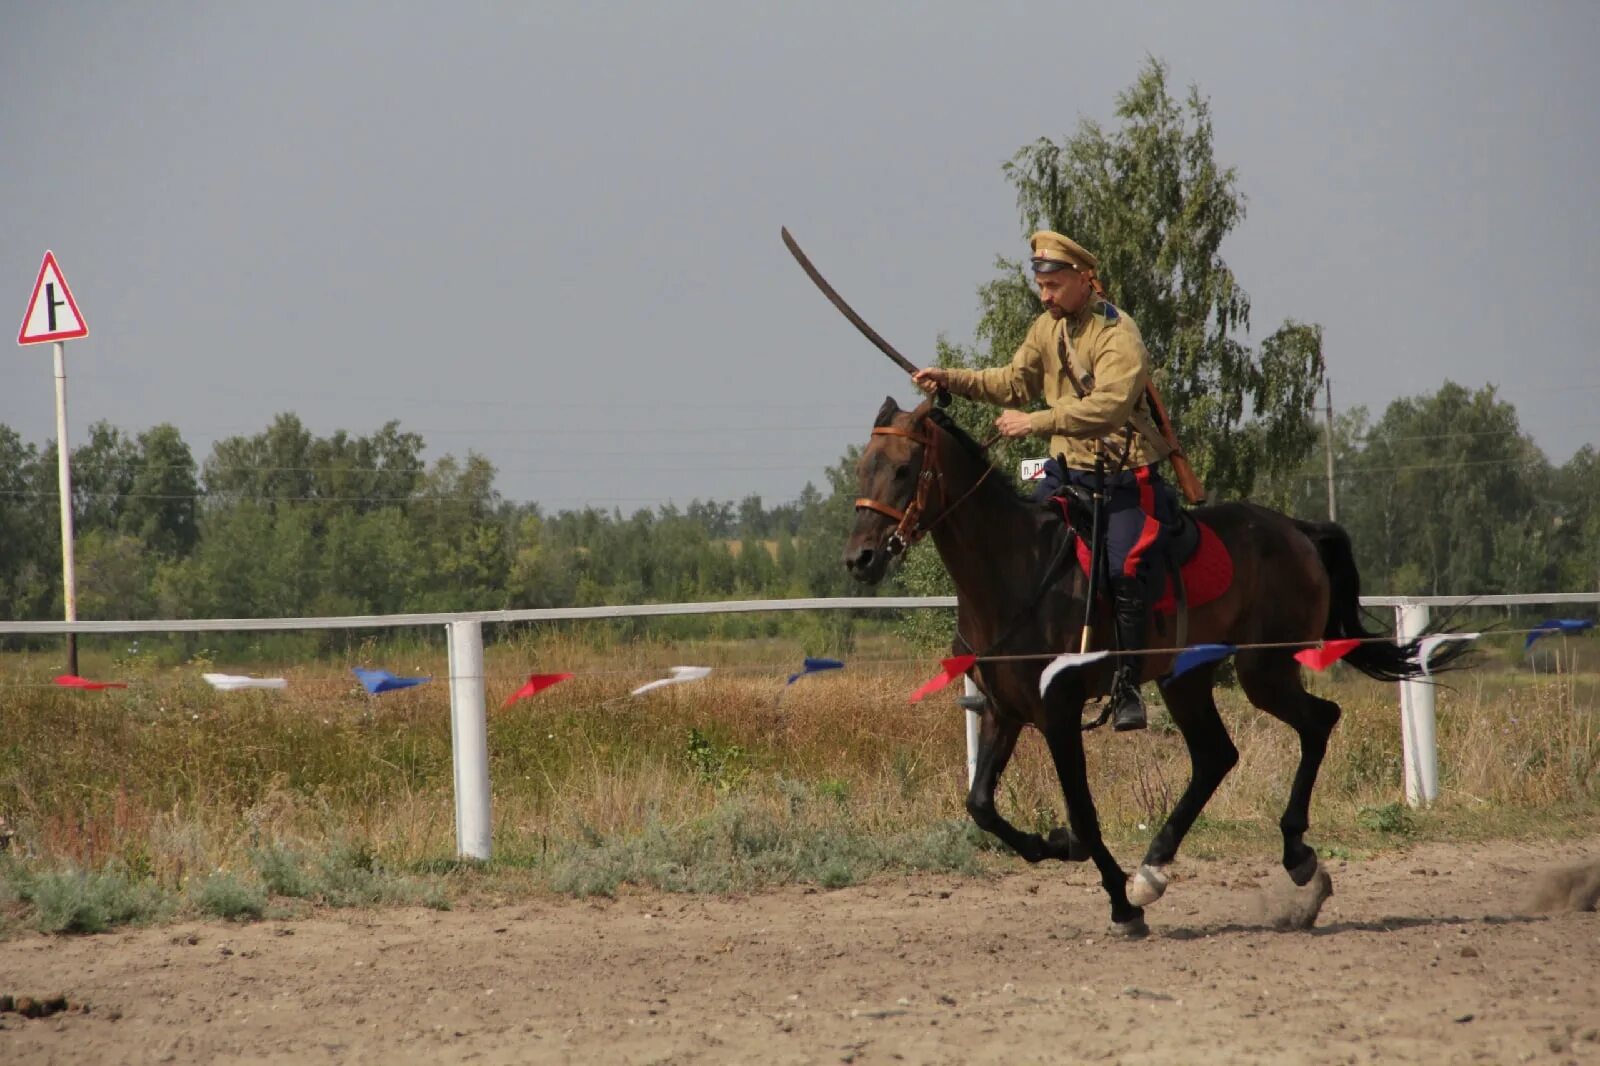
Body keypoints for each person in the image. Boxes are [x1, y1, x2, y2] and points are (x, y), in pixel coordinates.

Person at [913, 231, 1172, 731]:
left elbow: (1109, 407)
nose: (1045, 295)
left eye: (1054, 285)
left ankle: (1126, 686)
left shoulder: (1119, 335)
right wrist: (950, 379)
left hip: (1121, 480)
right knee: (1007, 552)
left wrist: (1035, 422)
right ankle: (1000, 678)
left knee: (1122, 571)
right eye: (1042, 286)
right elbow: (1012, 381)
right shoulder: (1046, 329)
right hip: (1066, 474)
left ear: (1082, 279)